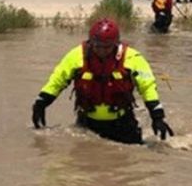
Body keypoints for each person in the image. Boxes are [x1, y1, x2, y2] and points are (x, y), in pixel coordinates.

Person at [31, 18, 174, 145]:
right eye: (97, 46)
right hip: (87, 123)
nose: (101, 51)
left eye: (106, 47)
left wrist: (157, 117)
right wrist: (41, 104)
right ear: (90, 42)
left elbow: (147, 87)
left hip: (122, 123)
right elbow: (57, 80)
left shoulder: (132, 58)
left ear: (115, 43)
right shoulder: (76, 56)